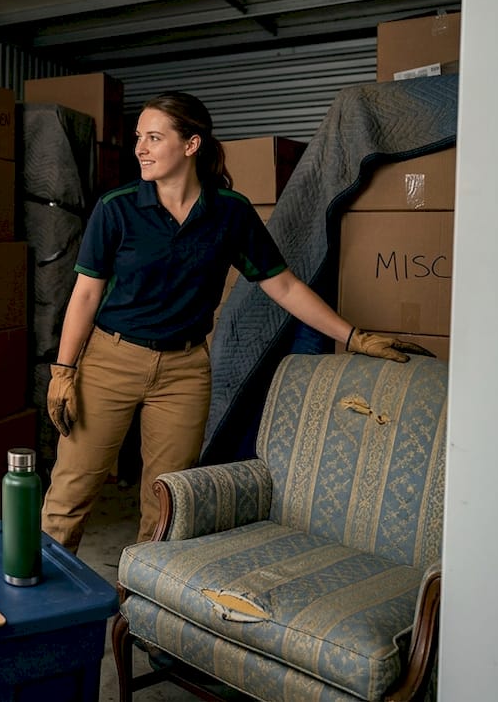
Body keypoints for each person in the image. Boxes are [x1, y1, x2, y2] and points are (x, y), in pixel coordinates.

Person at [40, 91, 428, 553]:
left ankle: (138, 611)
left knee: (166, 503)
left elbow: (282, 286)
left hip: (183, 373)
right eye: (139, 138)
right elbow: (86, 293)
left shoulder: (230, 212)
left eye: (154, 137)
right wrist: (64, 370)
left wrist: (354, 336)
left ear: (191, 144)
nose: (140, 148)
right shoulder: (117, 207)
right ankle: (48, 618)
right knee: (70, 495)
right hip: (110, 361)